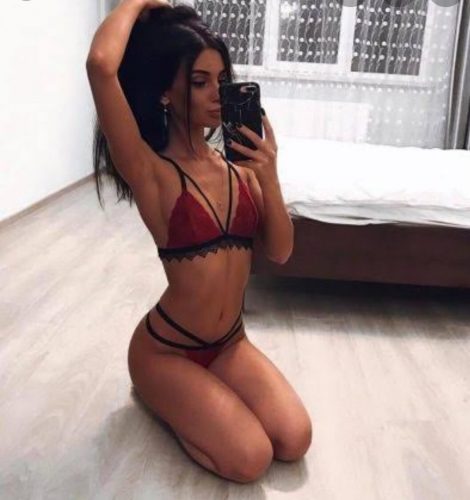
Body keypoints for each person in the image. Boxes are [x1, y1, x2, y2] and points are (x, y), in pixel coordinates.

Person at [86, 0, 312, 483]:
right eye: (199, 81)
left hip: (230, 343)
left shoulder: (241, 172)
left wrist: (269, 175)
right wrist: (141, 3)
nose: (217, 94)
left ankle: (200, 396)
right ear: (166, 93)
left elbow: (280, 251)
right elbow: (101, 65)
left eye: (222, 79)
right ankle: (162, 395)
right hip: (166, 349)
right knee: (250, 458)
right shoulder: (150, 171)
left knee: (295, 439)